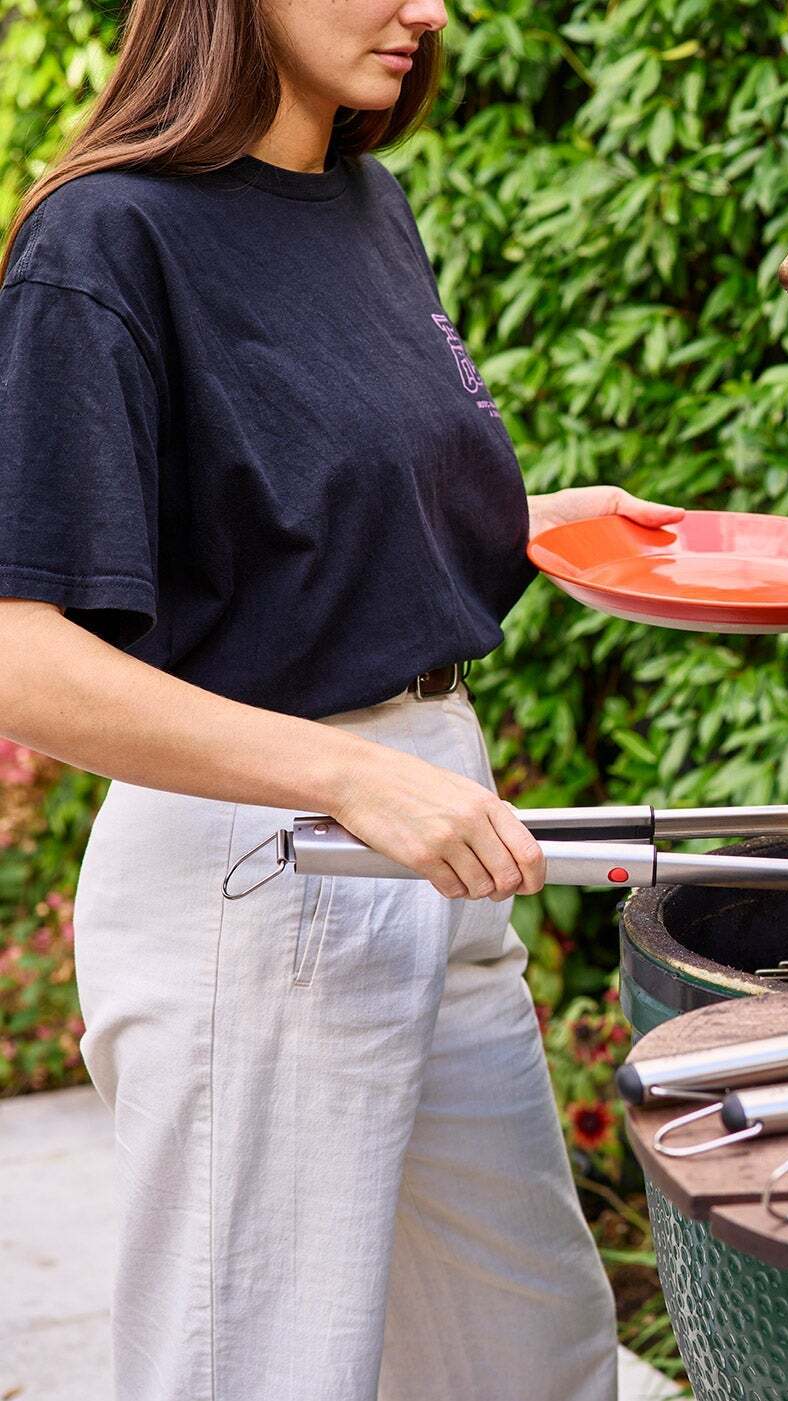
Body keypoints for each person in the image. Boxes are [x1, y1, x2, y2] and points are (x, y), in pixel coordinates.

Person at [0, 0, 673, 1396]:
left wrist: (535, 523)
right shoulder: (104, 241)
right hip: (256, 875)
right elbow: (27, 653)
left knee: (532, 1358)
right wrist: (343, 775)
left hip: (433, 839)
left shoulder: (367, 202)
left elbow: (295, 530)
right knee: (255, 1369)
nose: (427, 10)